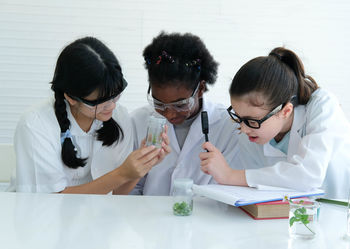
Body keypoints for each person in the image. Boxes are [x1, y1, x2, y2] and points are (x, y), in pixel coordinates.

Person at [14, 36, 170, 194]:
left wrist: (140, 169)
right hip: (44, 216)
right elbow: (50, 203)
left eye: (115, 95)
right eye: (100, 101)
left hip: (99, 216)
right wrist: (122, 173)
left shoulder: (119, 116)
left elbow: (118, 195)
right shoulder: (35, 125)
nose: (112, 106)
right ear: (70, 97)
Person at [199, 47, 350, 199]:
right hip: (295, 214)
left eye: (251, 121)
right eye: (239, 117)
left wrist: (230, 175)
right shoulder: (251, 133)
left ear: (285, 111)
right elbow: (261, 192)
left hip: (339, 208)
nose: (243, 129)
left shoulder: (323, 106)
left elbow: (309, 175)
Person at [131, 32, 240, 195]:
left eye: (180, 104)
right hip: (149, 215)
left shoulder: (228, 126)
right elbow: (132, 189)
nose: (169, 114)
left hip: (205, 215)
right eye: (159, 103)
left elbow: (231, 189)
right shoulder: (138, 120)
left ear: (201, 88)